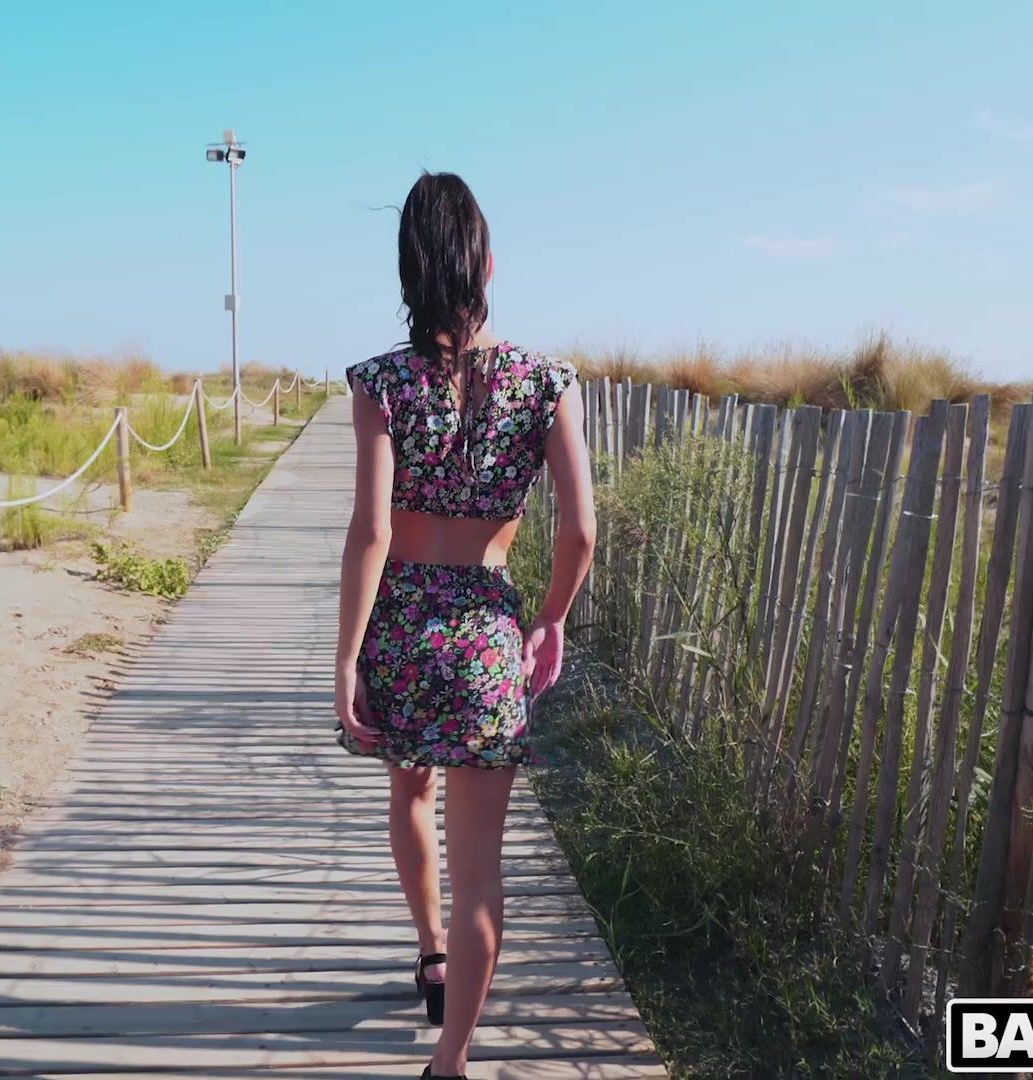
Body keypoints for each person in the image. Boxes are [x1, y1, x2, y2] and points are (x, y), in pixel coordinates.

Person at [333, 171, 596, 1080]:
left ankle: (432, 950)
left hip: (403, 626)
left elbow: (371, 532)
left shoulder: (380, 383)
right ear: (486, 262)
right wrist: (549, 619)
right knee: (482, 866)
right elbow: (581, 530)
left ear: (409, 267)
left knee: (409, 793)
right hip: (487, 631)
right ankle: (451, 1061)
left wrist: (346, 659)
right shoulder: (547, 382)